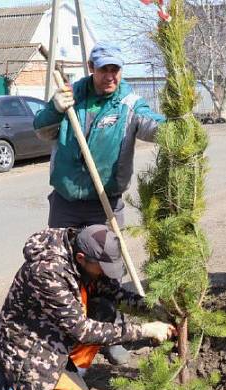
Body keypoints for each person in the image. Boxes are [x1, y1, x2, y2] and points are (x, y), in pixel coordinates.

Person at [0, 225, 176, 390]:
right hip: (29, 346)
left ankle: (69, 374)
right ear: (81, 258)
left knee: (103, 308)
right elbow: (82, 331)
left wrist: (150, 308)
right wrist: (144, 330)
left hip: (56, 336)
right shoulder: (48, 272)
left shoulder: (80, 252)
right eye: (102, 268)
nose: (105, 273)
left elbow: (113, 292)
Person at [34, 42, 165, 365]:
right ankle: (69, 331)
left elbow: (153, 126)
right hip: (65, 200)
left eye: (116, 69)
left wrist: (179, 127)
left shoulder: (128, 103)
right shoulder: (71, 95)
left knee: (108, 271)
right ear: (91, 67)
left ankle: (109, 336)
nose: (111, 76)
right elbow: (41, 130)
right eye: (104, 69)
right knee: (63, 267)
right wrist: (54, 108)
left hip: (104, 201)